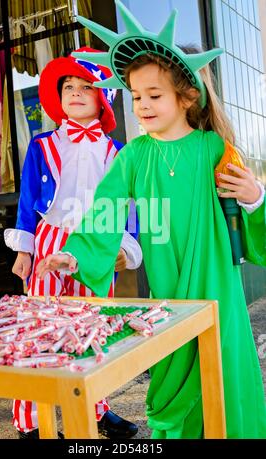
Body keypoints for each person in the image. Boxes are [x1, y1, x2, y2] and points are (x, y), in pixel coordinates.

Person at [36, 3, 266, 439]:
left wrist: (255, 198)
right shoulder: (134, 156)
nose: (142, 105)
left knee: (224, 374)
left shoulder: (214, 148)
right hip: (166, 294)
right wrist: (73, 253)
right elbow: (105, 210)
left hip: (218, 286)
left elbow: (249, 217)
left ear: (187, 97)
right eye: (136, 96)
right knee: (170, 388)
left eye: (154, 95)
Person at [4, 46, 142, 439]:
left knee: (92, 327)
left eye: (87, 86)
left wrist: (127, 247)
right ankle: (30, 420)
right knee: (39, 328)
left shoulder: (119, 153)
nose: (76, 92)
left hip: (97, 244)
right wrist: (24, 249)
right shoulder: (42, 145)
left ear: (104, 98)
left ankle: (97, 408)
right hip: (49, 240)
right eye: (68, 85)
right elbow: (29, 200)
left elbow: (129, 206)